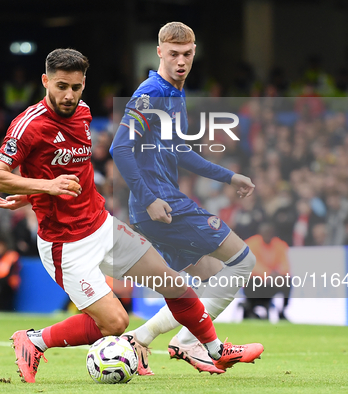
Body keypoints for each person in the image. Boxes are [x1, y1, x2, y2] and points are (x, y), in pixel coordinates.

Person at [0, 48, 233, 383]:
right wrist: (44, 187)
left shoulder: (84, 113)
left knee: (174, 283)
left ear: (84, 85)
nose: (69, 95)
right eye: (61, 86)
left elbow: (69, 170)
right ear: (45, 81)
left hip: (101, 225)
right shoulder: (29, 125)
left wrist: (34, 192)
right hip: (66, 245)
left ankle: (216, 350)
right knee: (116, 323)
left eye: (75, 87)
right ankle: (33, 341)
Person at [110, 22, 263, 375]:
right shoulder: (151, 93)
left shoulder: (175, 95)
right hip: (161, 203)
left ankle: (141, 338)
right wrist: (149, 198)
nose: (181, 61)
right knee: (243, 260)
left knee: (210, 278)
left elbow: (180, 152)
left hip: (161, 202)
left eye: (188, 54)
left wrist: (228, 176)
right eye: (174, 54)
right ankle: (191, 342)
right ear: (160, 52)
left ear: (195, 53)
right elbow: (120, 148)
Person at [244, 222, 291, 320]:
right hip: (255, 282)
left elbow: (285, 264)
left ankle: (282, 311)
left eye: (270, 233)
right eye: (265, 233)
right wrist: (268, 274)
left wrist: (280, 274)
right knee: (253, 281)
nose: (267, 235)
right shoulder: (251, 244)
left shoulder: (279, 245)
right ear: (260, 233)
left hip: (271, 283)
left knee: (287, 280)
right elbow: (252, 265)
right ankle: (251, 310)